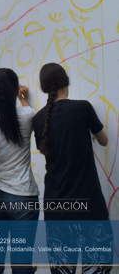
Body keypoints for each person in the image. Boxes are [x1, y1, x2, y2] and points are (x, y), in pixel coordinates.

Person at [33, 63, 112, 274]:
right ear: (66, 82)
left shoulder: (39, 119)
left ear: (43, 88)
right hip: (89, 206)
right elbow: (104, 141)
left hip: (56, 209)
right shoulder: (82, 108)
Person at [0, 69, 39, 274]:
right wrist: (23, 98)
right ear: (15, 90)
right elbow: (28, 111)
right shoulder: (28, 115)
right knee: (22, 264)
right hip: (23, 195)